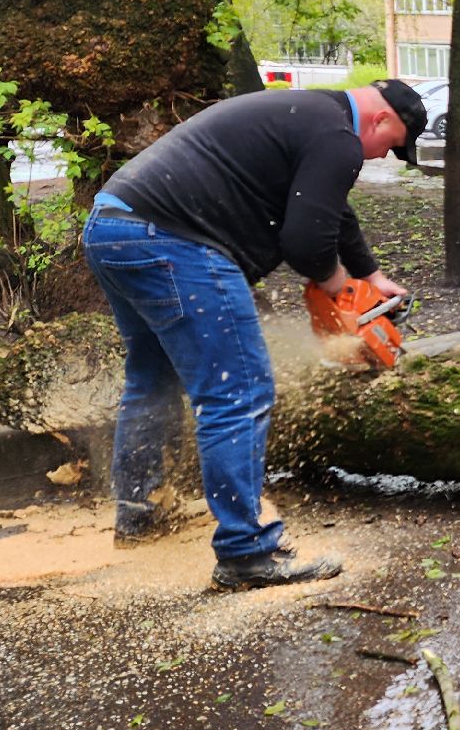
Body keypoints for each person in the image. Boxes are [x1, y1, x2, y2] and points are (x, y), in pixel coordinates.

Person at [82, 79, 427, 590]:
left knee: (153, 380)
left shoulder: (309, 114)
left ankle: (141, 514)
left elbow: (328, 209)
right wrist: (343, 294)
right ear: (380, 121)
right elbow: (306, 242)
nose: (383, 157)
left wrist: (370, 276)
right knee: (238, 390)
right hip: (176, 242)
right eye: (392, 146)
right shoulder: (340, 136)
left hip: (114, 226)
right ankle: (247, 553)